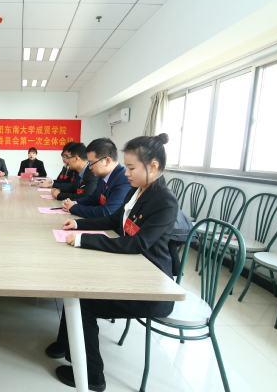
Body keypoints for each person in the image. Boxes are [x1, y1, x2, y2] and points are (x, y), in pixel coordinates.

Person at [45, 133, 178, 392]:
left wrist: (84, 240)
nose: (126, 173)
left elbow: (137, 244)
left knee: (82, 303)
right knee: (75, 287)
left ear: (152, 166)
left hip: (150, 287)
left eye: (131, 168)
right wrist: (79, 225)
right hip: (130, 270)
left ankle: (92, 375)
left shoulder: (164, 201)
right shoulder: (139, 190)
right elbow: (113, 220)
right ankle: (67, 344)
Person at [61, 138, 131, 219]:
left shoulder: (123, 180)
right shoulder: (103, 175)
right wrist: (74, 202)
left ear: (107, 161)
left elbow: (106, 212)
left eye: (91, 163)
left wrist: (74, 208)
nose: (90, 167)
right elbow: (93, 198)